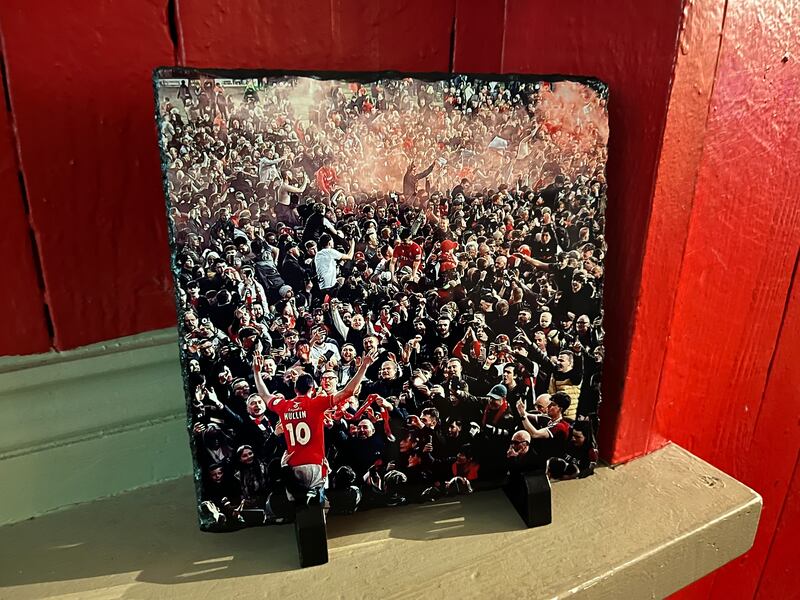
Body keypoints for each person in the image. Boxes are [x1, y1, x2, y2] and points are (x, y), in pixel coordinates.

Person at [252, 348, 376, 503]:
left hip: (293, 465)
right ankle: (315, 497)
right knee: (318, 506)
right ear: (312, 389)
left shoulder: (283, 405)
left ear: (295, 389)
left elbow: (264, 395)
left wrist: (256, 373)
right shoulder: (316, 403)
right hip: (315, 464)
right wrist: (364, 366)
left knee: (299, 506)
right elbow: (348, 391)